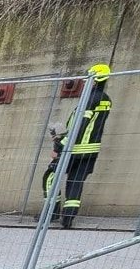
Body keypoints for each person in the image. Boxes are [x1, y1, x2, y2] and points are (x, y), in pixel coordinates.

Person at [44, 64, 113, 229]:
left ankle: (52, 213)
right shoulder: (105, 99)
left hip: (74, 149)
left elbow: (80, 126)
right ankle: (68, 218)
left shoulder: (90, 99)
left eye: (88, 79)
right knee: (75, 181)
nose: (84, 82)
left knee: (50, 176)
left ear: (94, 80)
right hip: (91, 150)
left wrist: (59, 146)